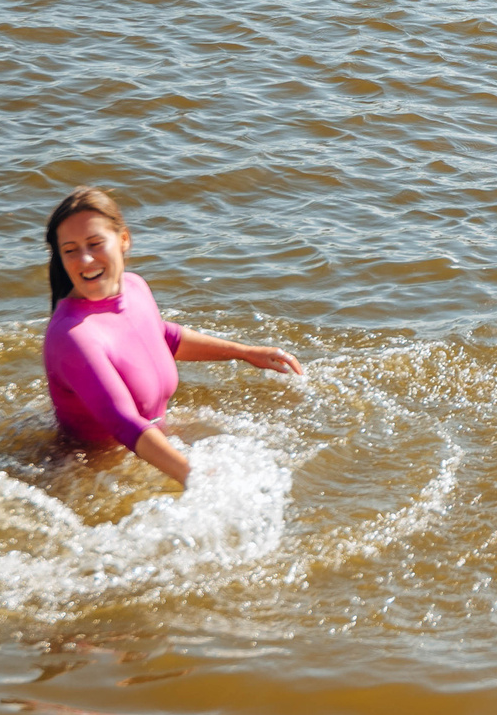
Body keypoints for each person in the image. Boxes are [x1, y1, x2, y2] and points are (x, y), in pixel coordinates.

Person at [39, 186, 304, 488]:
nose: (85, 260)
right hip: (92, 479)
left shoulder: (135, 287)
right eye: (70, 250)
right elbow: (122, 422)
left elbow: (161, 335)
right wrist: (194, 477)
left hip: (146, 449)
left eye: (95, 243)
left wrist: (244, 352)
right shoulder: (72, 336)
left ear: (123, 239)